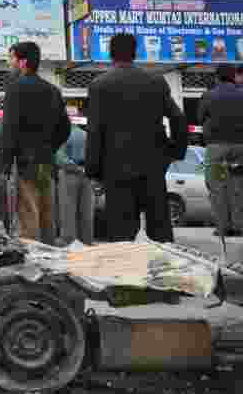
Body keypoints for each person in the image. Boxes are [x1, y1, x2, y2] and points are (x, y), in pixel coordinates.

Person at [86, 33, 187, 243]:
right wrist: (175, 151)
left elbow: (95, 131)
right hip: (153, 166)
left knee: (121, 234)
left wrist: (93, 170)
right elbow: (178, 118)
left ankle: (126, 273)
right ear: (136, 52)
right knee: (160, 231)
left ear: (110, 53)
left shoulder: (99, 85)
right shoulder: (155, 81)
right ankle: (166, 271)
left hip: (116, 169)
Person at [1, 41, 71, 242]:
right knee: (46, 211)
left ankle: (32, 258)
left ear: (22, 62)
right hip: (46, 161)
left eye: (11, 58)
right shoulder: (52, 90)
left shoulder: (15, 89)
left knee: (28, 211)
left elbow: (9, 129)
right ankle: (49, 255)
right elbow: (65, 128)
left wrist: (4, 165)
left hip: (25, 162)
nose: (9, 63)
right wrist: (49, 147)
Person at [197, 64, 243, 238]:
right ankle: (239, 225)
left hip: (216, 148)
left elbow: (200, 117)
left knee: (217, 186)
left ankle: (223, 227)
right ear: (233, 77)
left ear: (217, 78)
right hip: (240, 148)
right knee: (237, 185)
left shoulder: (209, 95)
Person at [53, 110, 93, 245]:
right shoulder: (86, 135)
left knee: (68, 208)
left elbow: (60, 157)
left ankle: (69, 240)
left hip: (69, 174)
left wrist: (73, 167)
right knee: (86, 209)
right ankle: (86, 239)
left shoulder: (63, 135)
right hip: (86, 174)